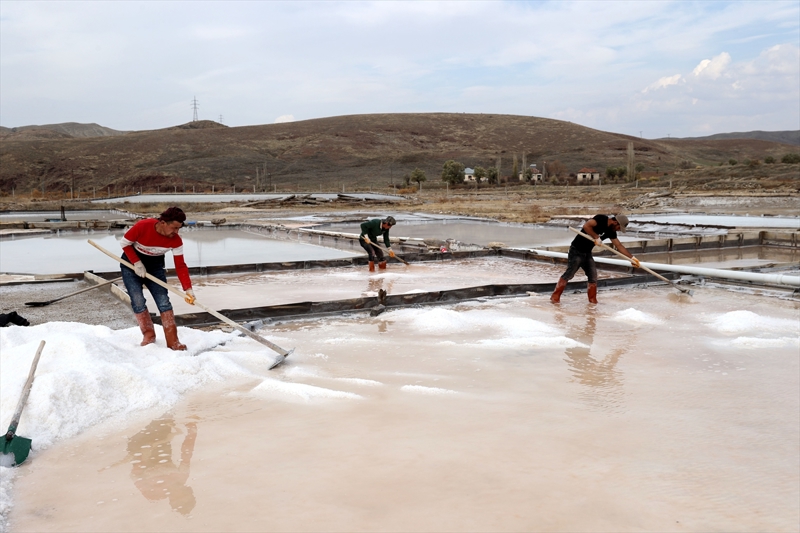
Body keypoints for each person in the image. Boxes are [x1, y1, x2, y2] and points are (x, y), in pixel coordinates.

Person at [120, 206, 196, 350]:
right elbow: (124, 243)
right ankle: (149, 335)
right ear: (163, 223)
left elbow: (180, 266)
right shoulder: (143, 226)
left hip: (155, 268)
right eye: (174, 228)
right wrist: (136, 263)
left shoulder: (176, 241)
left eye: (179, 229)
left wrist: (188, 289)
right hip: (131, 265)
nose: (176, 232)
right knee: (138, 300)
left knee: (163, 301)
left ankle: (173, 341)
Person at [550, 214, 640, 304]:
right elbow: (586, 226)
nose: (618, 230)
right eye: (619, 227)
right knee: (569, 274)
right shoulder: (601, 219)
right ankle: (555, 297)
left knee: (593, 276)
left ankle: (593, 301)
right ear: (615, 222)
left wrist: (632, 258)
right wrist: (596, 237)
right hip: (576, 251)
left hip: (587, 253)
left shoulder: (611, 231)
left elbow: (619, 246)